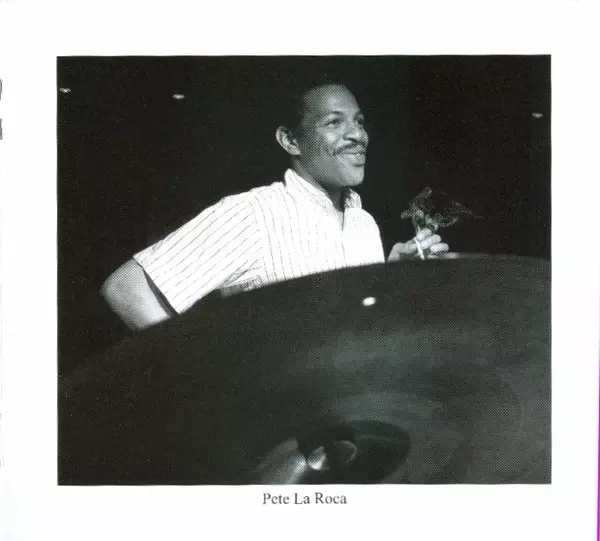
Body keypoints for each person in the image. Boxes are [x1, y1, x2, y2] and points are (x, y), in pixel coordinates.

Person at [101, 73, 449, 330]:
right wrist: (205, 379)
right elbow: (127, 289)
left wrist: (390, 273)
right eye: (334, 122)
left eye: (359, 122)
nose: (358, 134)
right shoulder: (253, 215)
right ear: (290, 141)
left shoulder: (364, 223)